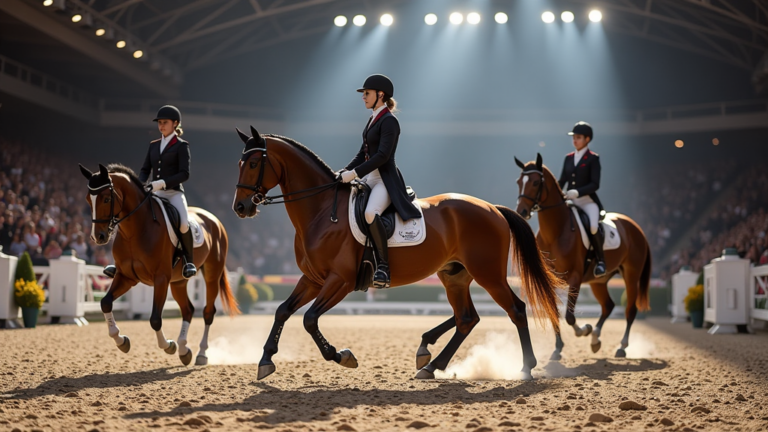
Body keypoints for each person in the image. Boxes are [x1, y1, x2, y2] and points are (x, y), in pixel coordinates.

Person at [336, 74, 421, 288]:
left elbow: (381, 156)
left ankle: (383, 266)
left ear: (380, 95)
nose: (363, 97)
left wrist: (354, 174)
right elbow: (362, 153)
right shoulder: (373, 118)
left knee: (370, 213)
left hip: (385, 179)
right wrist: (343, 171)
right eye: (363, 93)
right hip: (369, 178)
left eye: (367, 93)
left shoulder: (389, 120)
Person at [102, 105, 196, 279]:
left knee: (183, 222)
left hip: (173, 193)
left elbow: (185, 174)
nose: (161, 126)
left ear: (175, 123)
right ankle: (119, 261)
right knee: (130, 217)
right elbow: (145, 169)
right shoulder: (154, 145)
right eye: (159, 123)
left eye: (165, 123)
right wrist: (140, 184)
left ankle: (189, 261)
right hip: (154, 192)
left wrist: (162, 183)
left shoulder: (182, 146)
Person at [559, 121, 606, 277]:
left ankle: (600, 261)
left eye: (578, 137)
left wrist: (577, 192)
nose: (575, 140)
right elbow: (562, 181)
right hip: (570, 202)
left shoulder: (593, 159)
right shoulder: (568, 158)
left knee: (593, 226)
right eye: (574, 137)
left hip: (587, 201)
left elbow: (595, 184)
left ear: (587, 139)